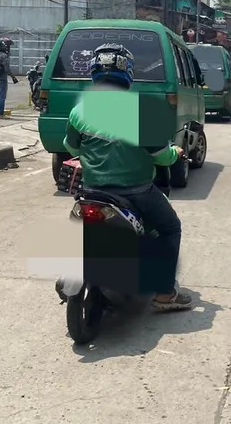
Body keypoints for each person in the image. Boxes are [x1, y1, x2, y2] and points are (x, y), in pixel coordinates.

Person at [64, 43, 194, 312]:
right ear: (128, 73)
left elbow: (72, 147)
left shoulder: (79, 111)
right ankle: (164, 294)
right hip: (136, 191)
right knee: (171, 228)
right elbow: (161, 157)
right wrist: (175, 152)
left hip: (92, 191)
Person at [0, 37, 19, 117]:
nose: (8, 47)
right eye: (7, 45)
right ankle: (0, 114)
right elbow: (7, 69)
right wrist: (13, 77)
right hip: (2, 77)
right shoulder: (4, 56)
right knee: (2, 96)